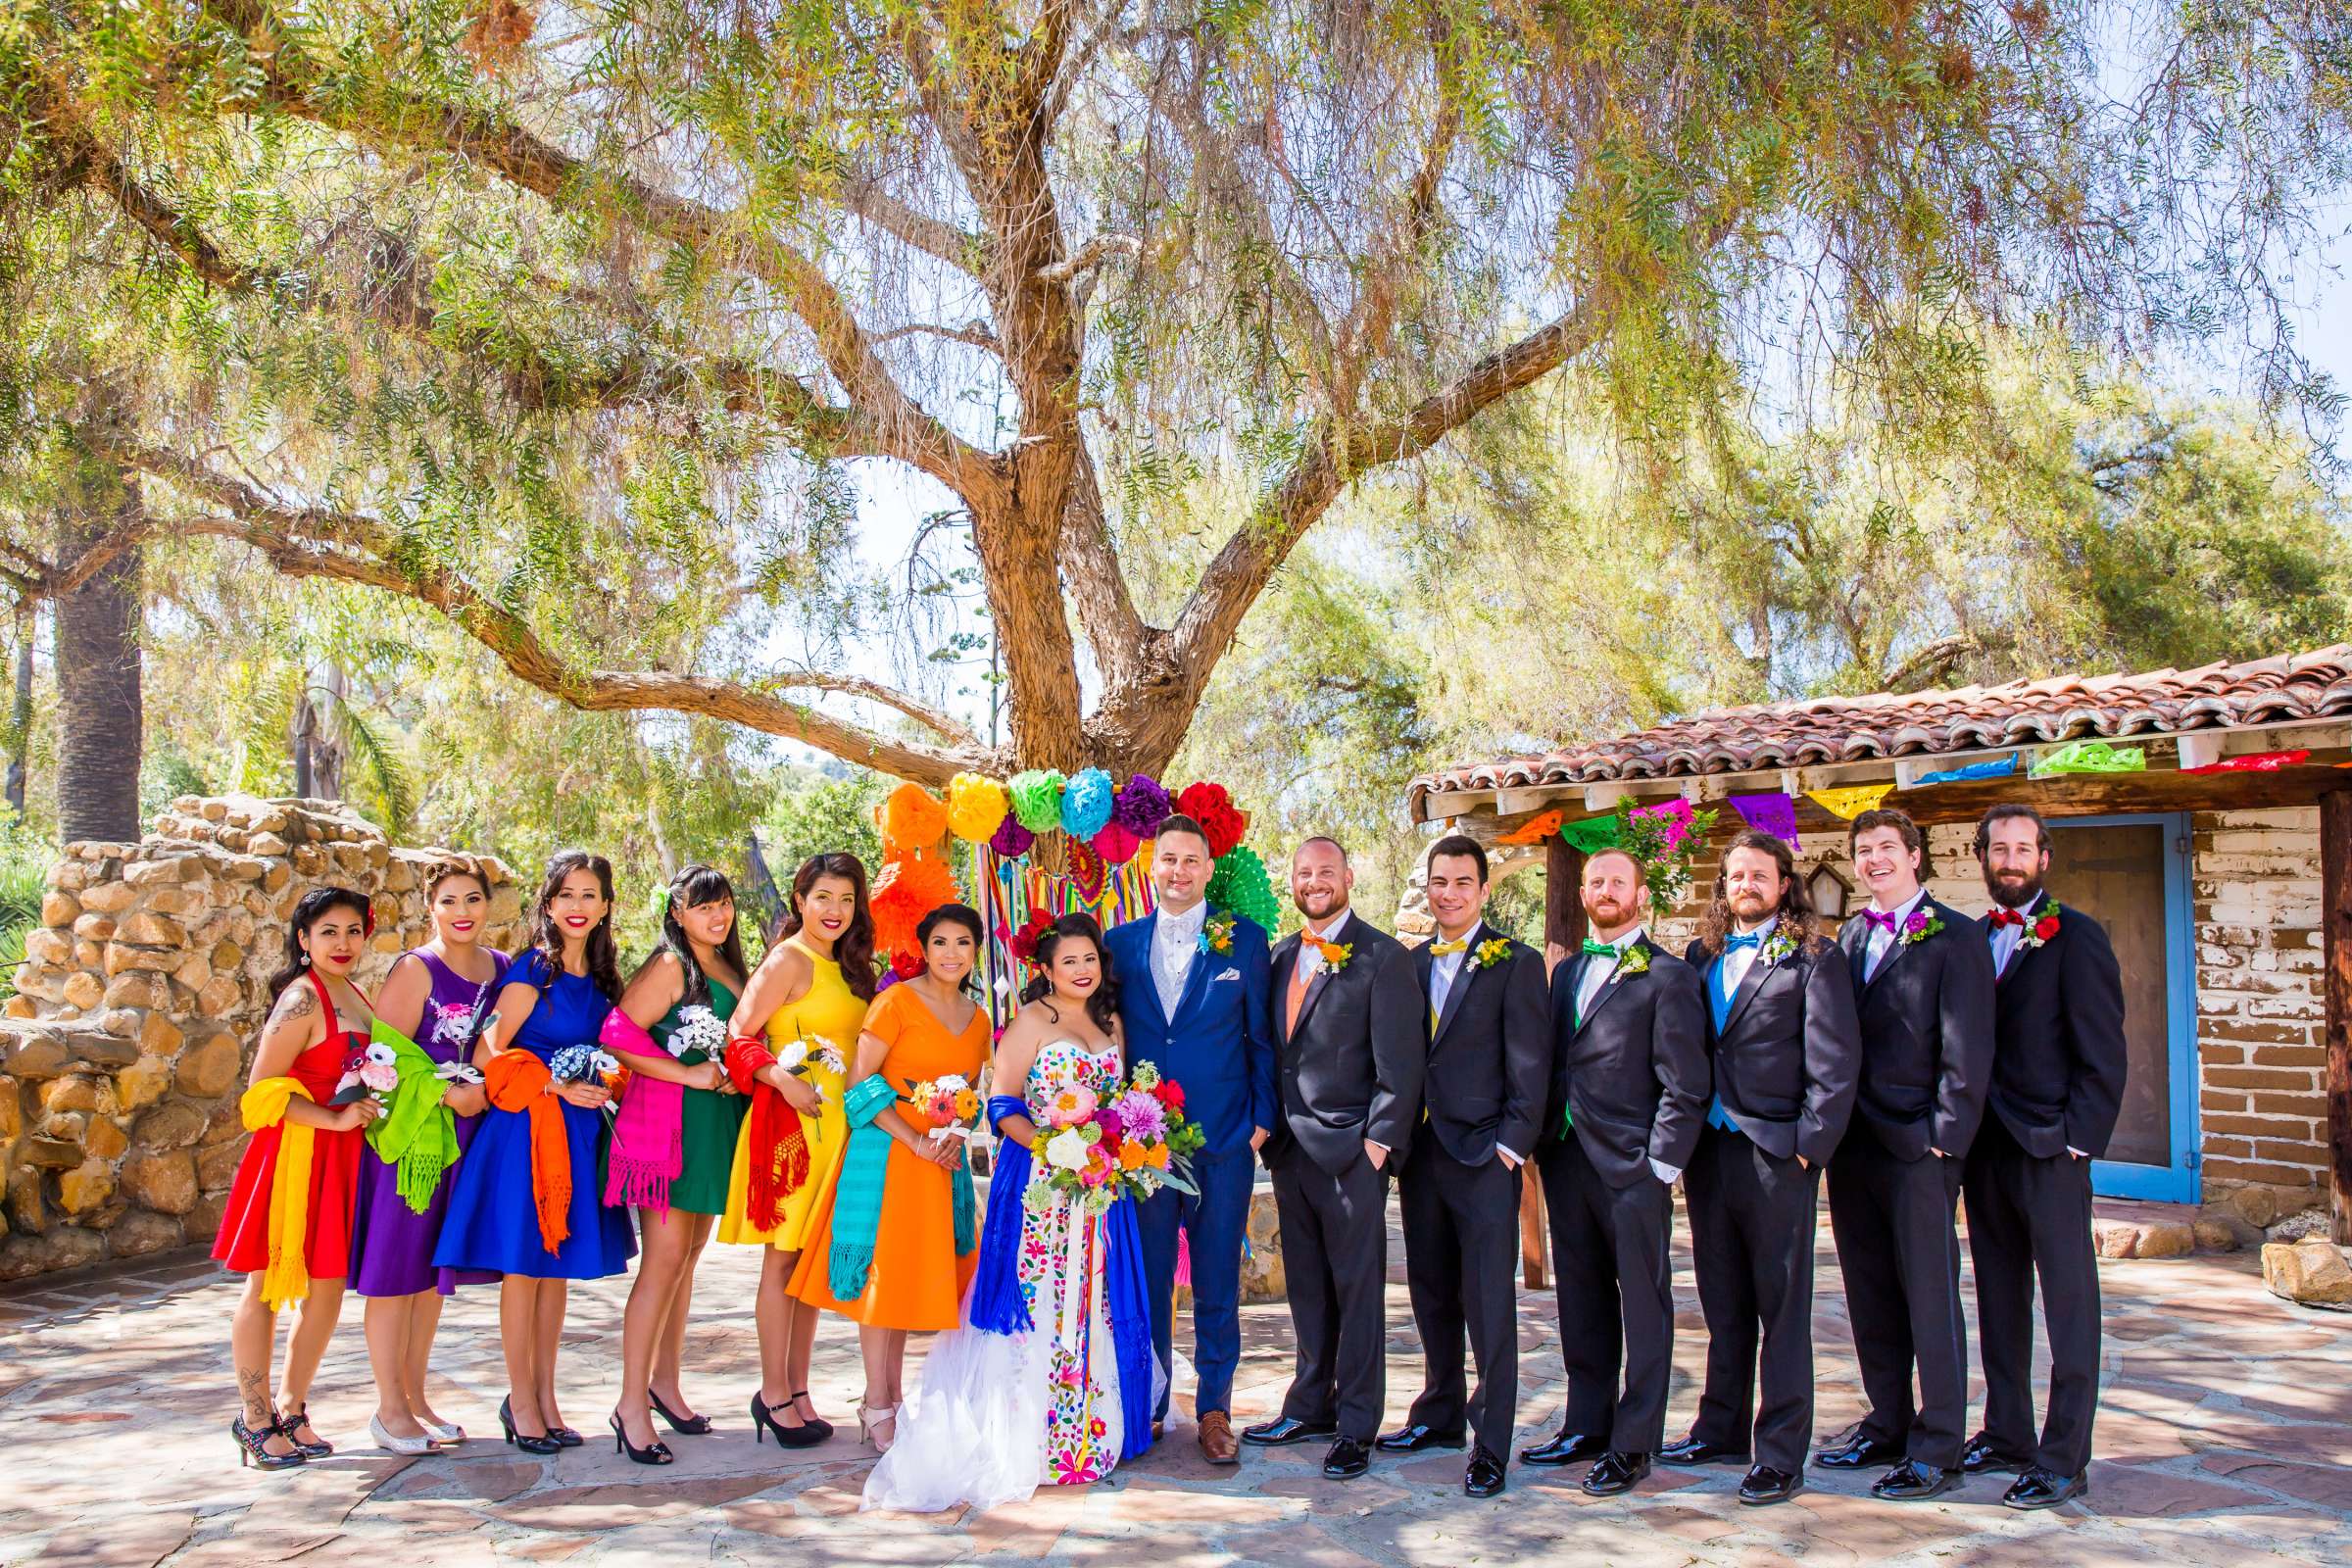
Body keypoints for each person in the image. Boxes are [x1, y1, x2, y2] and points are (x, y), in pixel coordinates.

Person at [861, 913, 1159, 1510]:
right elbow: (1001, 1103)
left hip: (1100, 1188)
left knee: (1095, 1299)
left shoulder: (1112, 1023)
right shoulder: (1030, 1022)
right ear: (1045, 970)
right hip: (1041, 1186)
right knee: (1043, 1296)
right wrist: (1054, 1147)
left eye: (1090, 960)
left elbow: (1125, 1099)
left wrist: (1120, 1145)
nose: (1081, 970)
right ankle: (1034, 1434)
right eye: (1068, 961)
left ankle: (1090, 1429)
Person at [1661, 831, 1860, 1506]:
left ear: (1783, 885)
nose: (1745, 883)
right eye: (1735, 873)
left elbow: (1834, 1063)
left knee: (1781, 1306)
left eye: (1759, 874)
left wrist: (1809, 1146)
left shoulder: (1814, 958)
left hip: (1777, 1150)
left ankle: (1779, 1451)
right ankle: (1719, 1426)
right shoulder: (1699, 955)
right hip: (1709, 1152)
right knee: (1722, 1300)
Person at [432, 850, 636, 1456]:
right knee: (524, 1269)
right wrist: (556, 1084)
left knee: (556, 1276)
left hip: (577, 1136)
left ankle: (546, 1400)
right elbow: (489, 1053)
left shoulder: (602, 979)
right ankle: (520, 1401)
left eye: (589, 895)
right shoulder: (532, 971)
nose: (578, 906)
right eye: (566, 895)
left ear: (604, 908)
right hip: (524, 1133)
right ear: (549, 906)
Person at [1817, 807, 1994, 1501]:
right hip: (1853, 1146)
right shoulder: (1850, 935)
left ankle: (1939, 1442)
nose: (1874, 859)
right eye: (1864, 851)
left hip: (1919, 1146)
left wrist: (1942, 1140)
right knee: (1869, 1291)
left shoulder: (1956, 936)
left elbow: (1968, 1049)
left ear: (1915, 856)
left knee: (1928, 1292)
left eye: (1887, 847)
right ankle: (1887, 1421)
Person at [1522, 847, 1708, 1497]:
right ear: (1583, 892)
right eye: (1595, 881)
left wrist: (1662, 1163)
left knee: (1645, 1304)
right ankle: (1585, 1423)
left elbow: (1687, 1083)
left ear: (1639, 895)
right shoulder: (1568, 972)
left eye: (1617, 882)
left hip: (1633, 1165)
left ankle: (1634, 1443)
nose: (1604, 890)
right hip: (1568, 1159)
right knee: (1582, 1299)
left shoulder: (1669, 977)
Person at [1962, 804, 2127, 1510]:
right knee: (1999, 1300)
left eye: (2022, 848)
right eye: (1999, 848)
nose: (2010, 859)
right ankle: (2006, 1433)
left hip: (2051, 1150)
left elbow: (2104, 1054)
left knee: (2069, 1306)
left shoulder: (2078, 938)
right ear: (1983, 858)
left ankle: (2064, 1457)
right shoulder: (1970, 939)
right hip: (1983, 1150)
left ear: (2043, 859)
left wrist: (2077, 1140)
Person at [1243, 837, 1422, 1482]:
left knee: (1358, 1294)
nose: (1314, 882)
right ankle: (1309, 1404)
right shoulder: (1281, 955)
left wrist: (1375, 1147)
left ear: (1348, 876)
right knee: (1310, 1292)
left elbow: (1402, 1068)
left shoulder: (1384, 957)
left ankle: (1355, 1423)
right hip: (1291, 1152)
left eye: (1325, 872)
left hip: (1352, 1154)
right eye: (1303, 873)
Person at [1102, 812, 1276, 1465]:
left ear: (1207, 868)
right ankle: (1148, 1403)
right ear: (1152, 865)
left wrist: (1260, 1121)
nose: (1178, 871)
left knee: (1216, 1283)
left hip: (1225, 1139)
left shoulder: (1246, 943)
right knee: (1144, 1280)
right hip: (1142, 1147)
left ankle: (1214, 1411)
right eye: (1168, 859)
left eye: (1190, 861)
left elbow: (1261, 1037)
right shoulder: (1117, 944)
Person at [1379, 835, 1547, 1497]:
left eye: (1460, 882)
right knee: (1432, 1293)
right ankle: (1440, 1413)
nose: (1447, 893)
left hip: (1484, 1157)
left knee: (1488, 1302)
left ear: (1483, 891)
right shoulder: (1409, 966)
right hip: (1421, 1160)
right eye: (1438, 882)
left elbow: (1531, 1065)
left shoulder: (1516, 963)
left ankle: (1491, 1443)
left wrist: (1510, 1146)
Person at [790, 904, 992, 1450]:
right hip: (889, 1154)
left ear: (976, 950)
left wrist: (956, 1134)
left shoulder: (979, 1021)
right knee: (880, 1280)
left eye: (964, 943)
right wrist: (916, 1140)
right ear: (924, 949)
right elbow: (861, 1085)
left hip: (939, 1164)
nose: (952, 954)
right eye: (941, 943)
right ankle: (877, 1402)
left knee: (903, 1282)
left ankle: (895, 1401)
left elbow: (973, 1092)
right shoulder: (895, 1001)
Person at [218, 887, 384, 1469]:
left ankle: (291, 1406)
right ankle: (254, 1416)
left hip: (341, 1161)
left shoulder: (356, 994)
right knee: (265, 1286)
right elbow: (260, 1091)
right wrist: (332, 1119)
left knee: (328, 1291)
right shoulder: (301, 999)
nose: (343, 943)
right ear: (304, 940)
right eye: (329, 932)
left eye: (354, 931)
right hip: (293, 1158)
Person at [348, 861, 503, 1454]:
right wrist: (445, 1091)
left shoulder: (501, 969)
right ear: (430, 907)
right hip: (412, 1142)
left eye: (471, 899)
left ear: (488, 906)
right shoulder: (417, 969)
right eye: (448, 901)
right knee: (395, 1275)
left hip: (464, 1140)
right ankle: (388, 1410)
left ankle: (416, 1399)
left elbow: (502, 1040)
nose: (461, 911)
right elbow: (385, 1056)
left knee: (429, 1278)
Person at [720, 852, 874, 1446]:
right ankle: (772, 1391)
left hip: (840, 1132)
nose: (834, 910)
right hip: (792, 1132)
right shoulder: (788, 959)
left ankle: (799, 1389)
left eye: (845, 899)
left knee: (810, 1267)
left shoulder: (853, 969)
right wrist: (783, 1080)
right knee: (781, 1261)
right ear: (799, 900)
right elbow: (738, 1034)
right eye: (823, 898)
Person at [600, 865, 751, 1464]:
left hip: (712, 1128)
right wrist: (685, 1072)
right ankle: (629, 1405)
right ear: (677, 912)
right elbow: (616, 1033)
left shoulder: (728, 966)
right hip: (669, 1129)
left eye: (724, 905)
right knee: (662, 1263)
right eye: (702, 906)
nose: (717, 917)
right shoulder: (670, 966)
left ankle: (665, 1384)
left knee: (687, 1260)